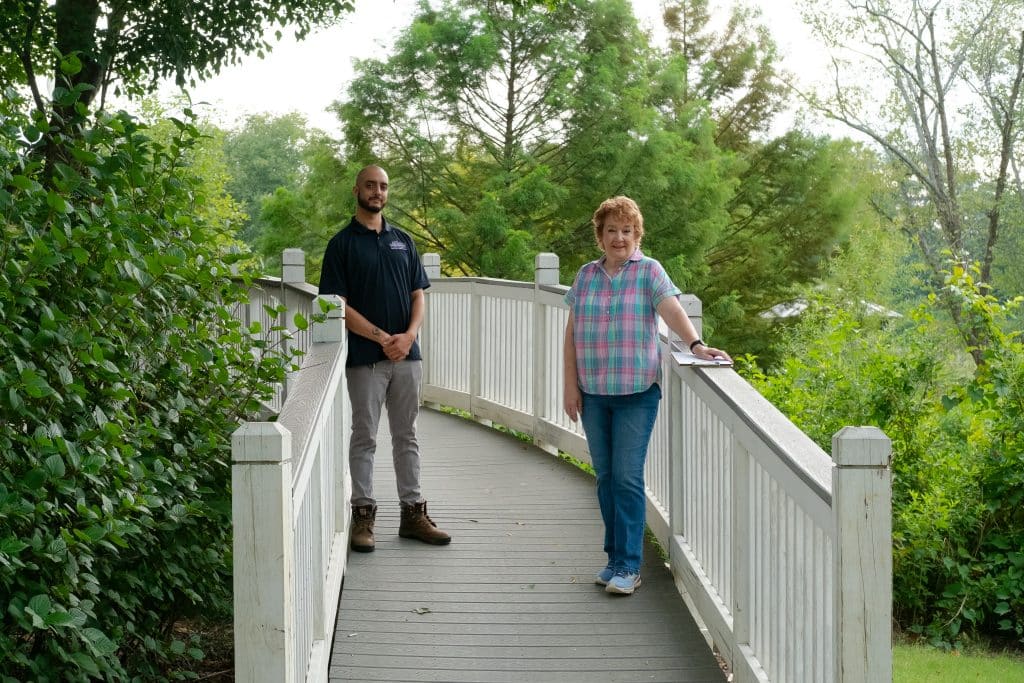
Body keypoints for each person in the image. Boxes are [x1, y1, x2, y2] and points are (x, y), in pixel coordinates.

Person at [562, 196, 730, 595]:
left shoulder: (649, 271)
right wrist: (569, 384)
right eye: (611, 231)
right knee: (605, 478)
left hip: (637, 391)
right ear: (600, 236)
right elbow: (570, 334)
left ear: (637, 235)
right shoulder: (586, 276)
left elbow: (672, 311)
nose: (619, 238)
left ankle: (630, 567)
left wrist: (696, 345)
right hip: (594, 392)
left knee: (627, 476)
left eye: (626, 231)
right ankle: (613, 559)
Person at [318, 164, 451, 552]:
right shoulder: (341, 244)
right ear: (357, 189)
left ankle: (413, 514)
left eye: (384, 187)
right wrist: (381, 338)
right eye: (371, 186)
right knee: (365, 437)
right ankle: (363, 516)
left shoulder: (403, 241)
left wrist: (408, 336)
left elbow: (418, 294)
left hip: (407, 356)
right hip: (365, 359)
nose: (378, 192)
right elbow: (337, 305)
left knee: (406, 435)